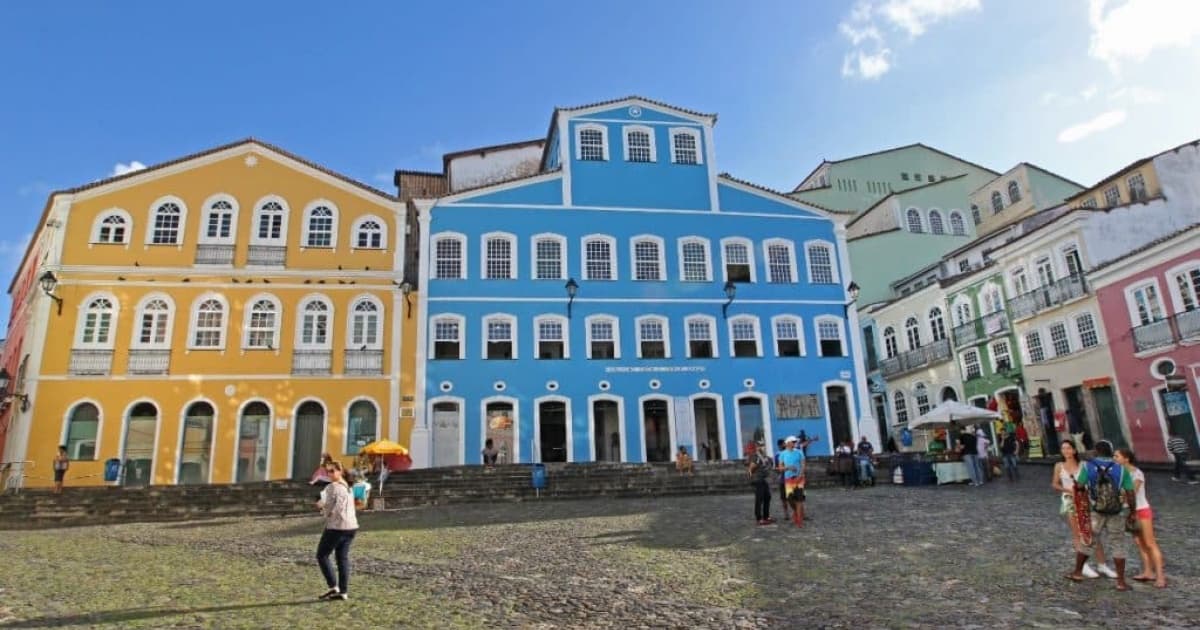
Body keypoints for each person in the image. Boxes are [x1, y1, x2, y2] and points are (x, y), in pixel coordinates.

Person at [1067, 440, 1136, 591]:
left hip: (1096, 510)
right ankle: (1121, 582)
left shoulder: (1088, 466)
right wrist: (1132, 512)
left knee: (1089, 540)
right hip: (1116, 511)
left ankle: (1078, 572)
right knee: (1118, 543)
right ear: (1111, 451)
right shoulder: (1121, 469)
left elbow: (1079, 486)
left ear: (1096, 451)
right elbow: (1130, 492)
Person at [1052, 439, 1112, 579]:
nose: (1066, 451)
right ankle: (1083, 566)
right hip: (1070, 501)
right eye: (1063, 449)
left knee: (1093, 533)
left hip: (1087, 501)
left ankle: (1102, 564)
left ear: (1074, 450)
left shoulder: (1084, 465)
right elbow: (1055, 484)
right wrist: (1068, 490)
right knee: (1078, 533)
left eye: (1068, 448)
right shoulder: (1059, 466)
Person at [1115, 448, 1166, 588]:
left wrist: (1117, 494)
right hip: (1129, 511)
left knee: (1150, 543)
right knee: (1140, 543)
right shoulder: (1119, 474)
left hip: (1141, 510)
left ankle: (1160, 576)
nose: (1115, 458)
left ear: (1126, 458)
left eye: (1117, 456)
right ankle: (1148, 571)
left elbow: (1132, 491)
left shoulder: (1137, 473)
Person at [315, 462, 359, 601]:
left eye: (332, 471)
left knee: (322, 555)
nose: (329, 474)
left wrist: (321, 507)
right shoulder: (348, 487)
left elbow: (330, 509)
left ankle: (333, 586)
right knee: (342, 558)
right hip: (351, 526)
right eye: (327, 471)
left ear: (340, 471)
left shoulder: (332, 487)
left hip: (337, 527)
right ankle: (343, 591)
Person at [777, 436, 806, 527]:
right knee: (789, 499)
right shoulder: (782, 454)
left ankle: (799, 519)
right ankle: (796, 512)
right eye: (793, 442)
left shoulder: (799, 452)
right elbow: (780, 468)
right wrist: (788, 467)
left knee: (799, 498)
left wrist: (801, 474)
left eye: (795, 442)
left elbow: (803, 464)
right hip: (788, 479)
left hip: (799, 478)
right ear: (788, 443)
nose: (794, 443)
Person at [748, 442, 774, 526]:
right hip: (757, 479)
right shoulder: (756, 456)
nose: (763, 447)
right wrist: (752, 478)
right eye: (761, 446)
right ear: (757, 447)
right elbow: (751, 468)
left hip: (763, 479)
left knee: (767, 496)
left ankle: (766, 516)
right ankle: (759, 518)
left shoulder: (764, 457)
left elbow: (768, 466)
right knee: (759, 498)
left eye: (763, 446)